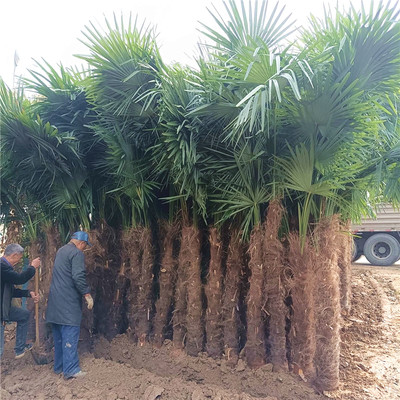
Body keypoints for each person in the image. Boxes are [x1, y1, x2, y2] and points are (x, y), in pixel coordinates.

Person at [46, 231, 94, 379]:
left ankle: (59, 367)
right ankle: (71, 369)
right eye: (85, 246)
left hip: (55, 303)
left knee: (59, 336)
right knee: (70, 333)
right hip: (68, 303)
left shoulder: (61, 250)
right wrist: (86, 294)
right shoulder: (77, 253)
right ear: (82, 243)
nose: (84, 249)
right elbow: (78, 276)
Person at [1, 243, 40, 359]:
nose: (18, 262)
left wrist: (28, 293)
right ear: (14, 255)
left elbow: (10, 291)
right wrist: (32, 267)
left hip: (3, 309)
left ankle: (20, 348)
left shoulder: (5, 269)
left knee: (23, 315)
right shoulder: (2, 267)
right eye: (18, 258)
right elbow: (20, 279)